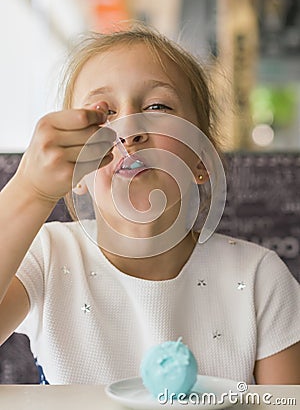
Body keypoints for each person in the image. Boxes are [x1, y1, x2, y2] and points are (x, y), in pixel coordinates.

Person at [0, 23, 299, 386]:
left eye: (157, 106)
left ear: (201, 159)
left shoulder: (259, 278)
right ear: (76, 174)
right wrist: (30, 191)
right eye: (103, 113)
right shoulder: (45, 256)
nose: (129, 130)